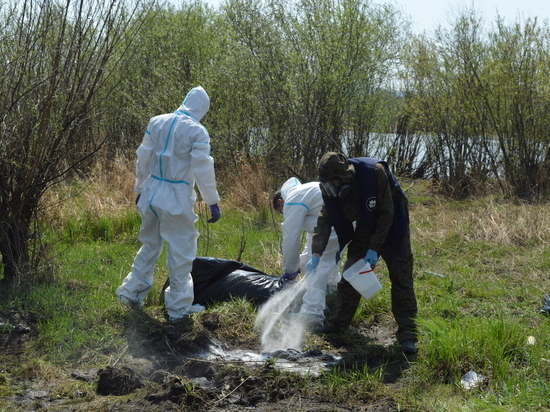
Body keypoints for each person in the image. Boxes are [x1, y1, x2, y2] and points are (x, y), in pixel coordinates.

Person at [116, 86, 221, 324]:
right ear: (202, 108)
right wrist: (212, 200)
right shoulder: (197, 131)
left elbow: (143, 157)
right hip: (175, 194)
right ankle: (178, 310)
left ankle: (129, 294)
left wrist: (141, 188)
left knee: (150, 245)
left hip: (152, 191)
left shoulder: (156, 122)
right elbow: (203, 167)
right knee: (181, 251)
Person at [307, 152, 418, 354]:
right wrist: (315, 254)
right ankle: (338, 324)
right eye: (327, 184)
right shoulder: (330, 190)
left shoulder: (374, 173)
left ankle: (408, 334)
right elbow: (324, 220)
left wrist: (374, 249)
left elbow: (386, 213)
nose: (330, 188)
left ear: (345, 178)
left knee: (402, 279)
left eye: (333, 183)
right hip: (366, 228)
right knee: (349, 276)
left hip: (394, 227)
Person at [272, 178, 341, 328]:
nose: (283, 213)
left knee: (320, 265)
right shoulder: (307, 193)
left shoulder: (293, 199)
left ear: (280, 203)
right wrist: (300, 265)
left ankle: (312, 314)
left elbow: (291, 238)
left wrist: (290, 270)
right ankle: (332, 292)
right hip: (343, 223)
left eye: (281, 212)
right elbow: (311, 241)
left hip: (335, 225)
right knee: (326, 260)